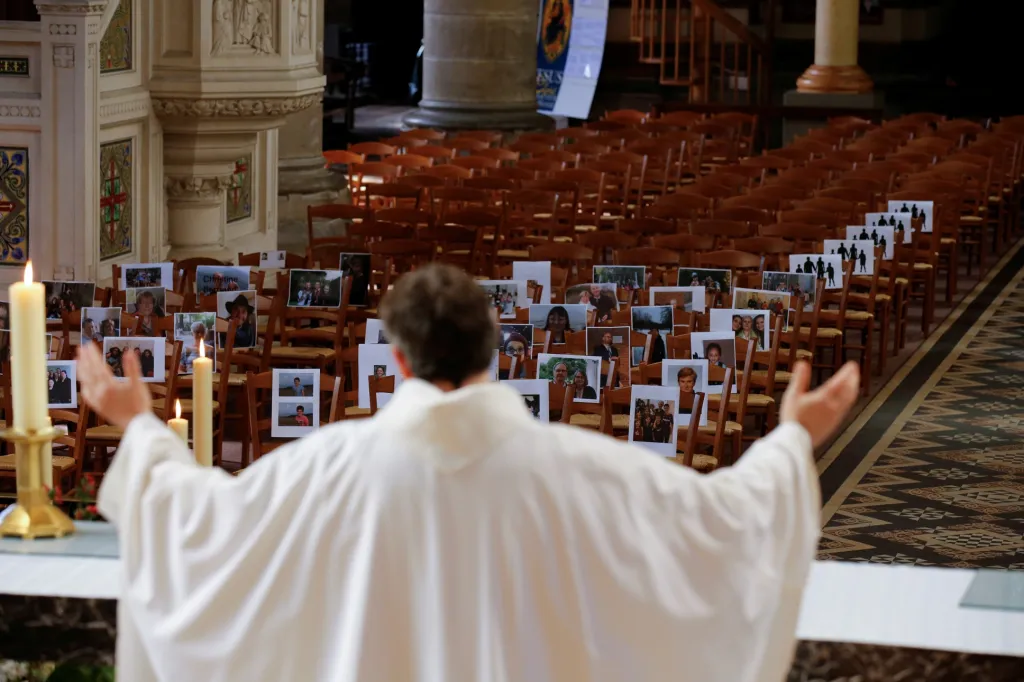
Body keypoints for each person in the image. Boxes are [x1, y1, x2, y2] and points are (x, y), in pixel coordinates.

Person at [75, 263, 859, 682]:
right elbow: (722, 526)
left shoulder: (321, 468)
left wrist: (139, 424)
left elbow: (200, 523)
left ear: (398, 359)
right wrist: (792, 439)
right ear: (495, 351)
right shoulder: (587, 468)